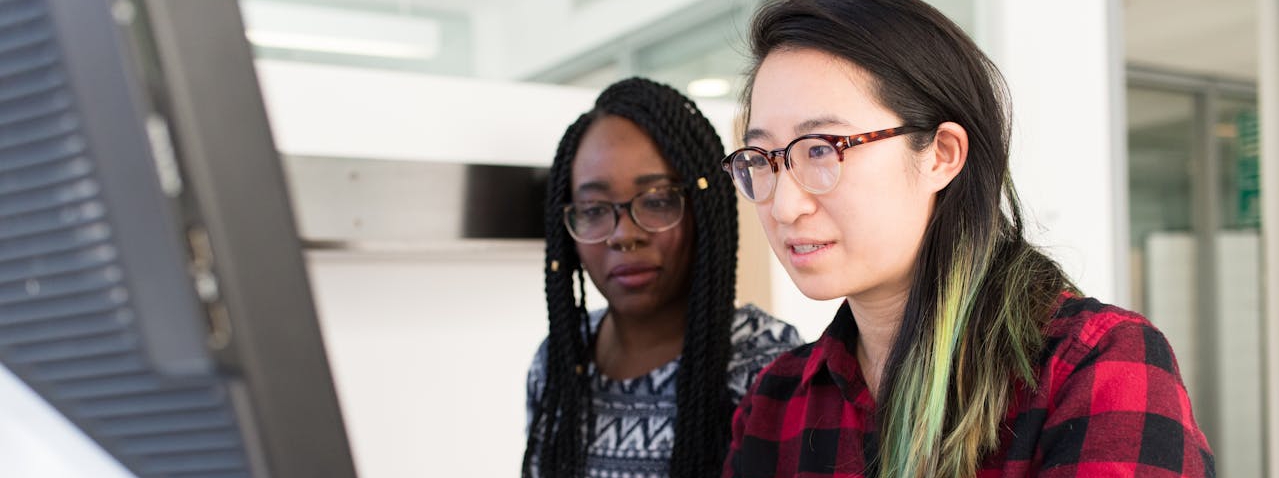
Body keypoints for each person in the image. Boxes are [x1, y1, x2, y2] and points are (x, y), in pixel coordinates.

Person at [718, 1, 1214, 477]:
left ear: (942, 154)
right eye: (761, 159)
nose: (784, 206)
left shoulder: (1094, 368)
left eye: (822, 150)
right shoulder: (776, 401)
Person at [523, 77, 803, 478]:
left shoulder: (764, 364)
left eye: (656, 201)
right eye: (593, 209)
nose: (624, 235)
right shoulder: (556, 363)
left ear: (702, 210)